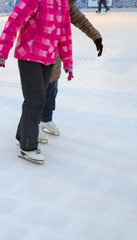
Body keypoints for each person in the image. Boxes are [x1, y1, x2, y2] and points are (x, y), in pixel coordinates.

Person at [0, 0, 73, 164]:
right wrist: (3, 50)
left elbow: (65, 34)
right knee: (36, 100)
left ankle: (22, 134)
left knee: (38, 98)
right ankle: (28, 146)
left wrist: (68, 61)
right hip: (29, 55)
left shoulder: (63, 4)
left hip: (49, 58)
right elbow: (14, 21)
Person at [38, 0, 104, 143]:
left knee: (52, 88)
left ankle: (46, 119)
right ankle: (34, 124)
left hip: (53, 54)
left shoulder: (66, 5)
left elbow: (81, 20)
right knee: (37, 92)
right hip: (36, 52)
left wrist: (96, 36)